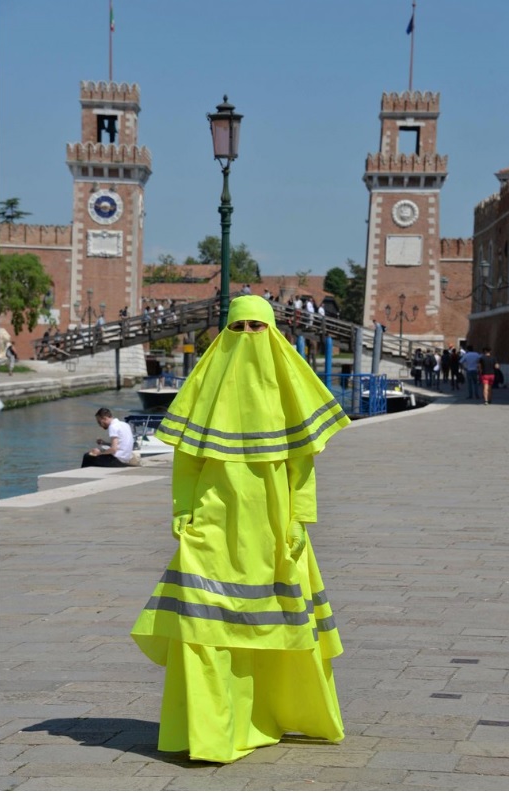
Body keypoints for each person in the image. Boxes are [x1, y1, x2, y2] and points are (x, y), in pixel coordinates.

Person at [131, 295, 351, 764]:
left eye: (257, 326)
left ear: (273, 331)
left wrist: (299, 518)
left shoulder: (290, 386)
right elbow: (186, 460)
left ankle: (269, 715)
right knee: (202, 622)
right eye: (238, 327)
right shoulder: (205, 384)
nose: (248, 335)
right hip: (211, 521)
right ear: (224, 332)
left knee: (276, 623)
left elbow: (302, 466)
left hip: (273, 524)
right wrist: (182, 509)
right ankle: (211, 735)